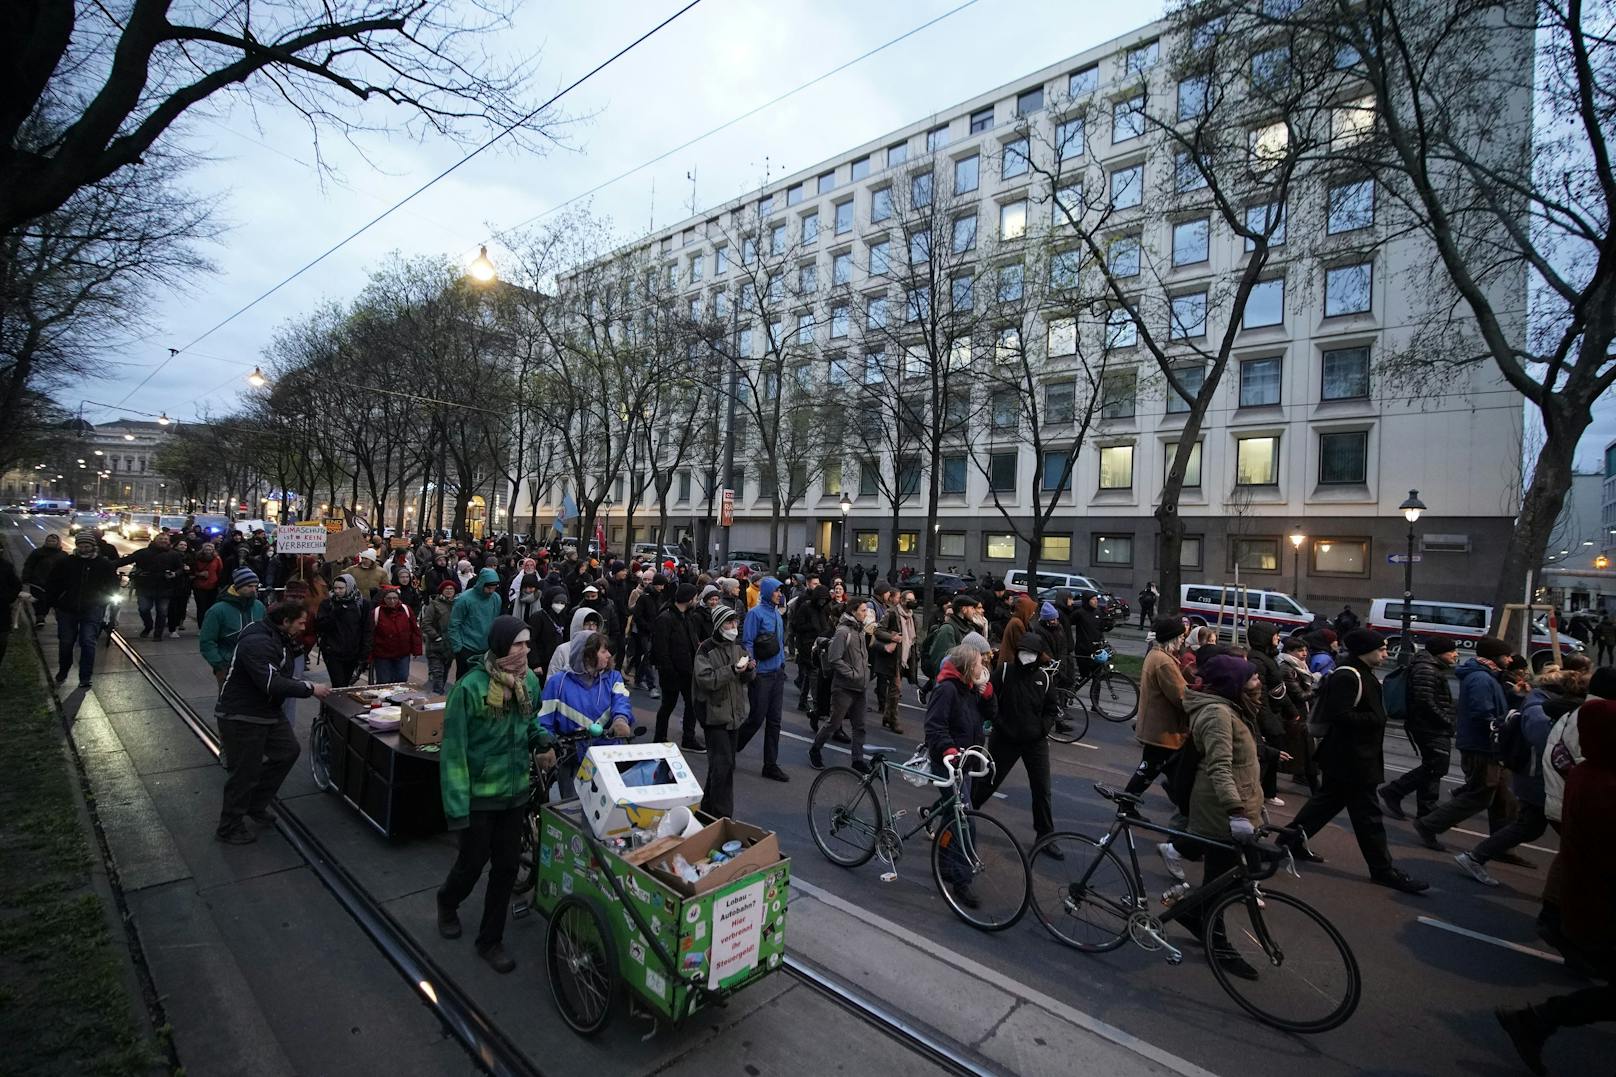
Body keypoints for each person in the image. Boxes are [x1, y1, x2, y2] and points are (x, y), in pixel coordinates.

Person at [1494, 697, 1616, 1073]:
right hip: (1601, 905)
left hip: (1589, 901)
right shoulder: (1603, 784)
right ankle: (1537, 1021)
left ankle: (1536, 1021)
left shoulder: (1588, 773)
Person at [437, 617, 550, 974]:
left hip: (515, 792)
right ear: (501, 646)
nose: (525, 652)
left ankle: (490, 939)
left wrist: (542, 741)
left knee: (506, 867)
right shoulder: (469, 689)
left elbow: (530, 722)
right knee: (472, 863)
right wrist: (456, 810)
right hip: (479, 796)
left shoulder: (528, 681)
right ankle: (447, 901)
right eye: (518, 645)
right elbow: (453, 752)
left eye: (527, 645)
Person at [1282, 629, 1429, 893]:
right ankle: (1382, 870)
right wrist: (1377, 719)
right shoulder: (1348, 676)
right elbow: (1340, 715)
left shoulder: (1362, 674)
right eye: (1382, 649)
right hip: (1351, 760)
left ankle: (1287, 844)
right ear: (1365, 651)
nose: (1386, 653)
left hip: (1353, 758)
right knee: (1368, 818)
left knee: (1323, 807)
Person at [1170, 654, 1270, 978]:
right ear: (1234, 684)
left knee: (1230, 879)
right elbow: (1220, 767)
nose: (1259, 683)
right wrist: (1236, 811)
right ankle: (1219, 943)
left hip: (1239, 807)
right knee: (1221, 884)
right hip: (1220, 812)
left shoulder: (1235, 709)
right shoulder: (1216, 713)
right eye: (1253, 678)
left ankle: (1192, 913)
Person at [214, 601, 329, 844]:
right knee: (245, 771)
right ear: (284, 621)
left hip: (267, 710)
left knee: (287, 752)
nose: (303, 627)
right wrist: (310, 688)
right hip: (242, 714)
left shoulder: (280, 637)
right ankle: (229, 826)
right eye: (299, 622)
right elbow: (271, 683)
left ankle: (256, 804)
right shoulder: (258, 642)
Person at [1413, 636, 1514, 850]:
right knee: (1481, 794)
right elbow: (1482, 712)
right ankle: (1430, 824)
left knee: (1502, 797)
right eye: (1507, 656)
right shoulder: (1481, 679)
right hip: (1482, 745)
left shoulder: (1489, 677)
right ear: (1496, 657)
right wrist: (1502, 725)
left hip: (1488, 745)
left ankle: (1502, 843)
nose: (1510, 660)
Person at [973, 628, 1062, 855]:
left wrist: (1043, 729)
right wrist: (999, 722)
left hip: (1035, 743)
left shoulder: (1044, 678)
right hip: (1005, 740)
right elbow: (988, 697)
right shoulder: (1004, 672)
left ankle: (1045, 837)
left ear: (1039, 654)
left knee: (1042, 790)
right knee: (988, 782)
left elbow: (1052, 709)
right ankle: (960, 816)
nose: (1026, 656)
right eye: (1023, 651)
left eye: (1031, 653)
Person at [923, 644, 993, 908]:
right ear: (966, 668)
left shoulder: (969, 689)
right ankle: (962, 880)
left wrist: (988, 695)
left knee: (952, 817)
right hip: (949, 762)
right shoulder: (947, 690)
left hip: (966, 762)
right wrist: (950, 750)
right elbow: (934, 726)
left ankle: (944, 863)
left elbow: (990, 716)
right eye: (977, 664)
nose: (982, 668)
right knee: (966, 821)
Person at [537, 630, 634, 796]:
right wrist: (545, 746)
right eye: (603, 651)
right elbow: (544, 719)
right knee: (571, 807)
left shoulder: (613, 677)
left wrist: (620, 719)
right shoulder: (558, 683)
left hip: (606, 754)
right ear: (587, 654)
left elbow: (621, 701)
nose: (609, 655)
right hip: (571, 757)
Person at [1379, 637, 1461, 822]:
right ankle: (1395, 791)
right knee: (1435, 766)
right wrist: (1447, 720)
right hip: (1429, 726)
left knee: (1434, 767)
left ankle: (1426, 809)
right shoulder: (1426, 669)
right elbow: (1425, 701)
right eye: (1451, 651)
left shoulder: (1430, 666)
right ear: (1440, 652)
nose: (1456, 654)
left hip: (1430, 725)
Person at [694, 606, 757, 818]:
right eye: (729, 623)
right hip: (715, 716)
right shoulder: (706, 650)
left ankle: (706, 812)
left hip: (734, 716)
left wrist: (749, 670)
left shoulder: (736, 647)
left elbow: (746, 679)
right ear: (719, 625)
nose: (733, 627)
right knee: (724, 767)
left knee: (720, 767)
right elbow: (706, 680)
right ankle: (722, 817)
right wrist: (732, 670)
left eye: (735, 622)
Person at [44, 533, 118, 688]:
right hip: (67, 608)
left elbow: (112, 585)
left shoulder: (103, 564)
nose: (84, 549)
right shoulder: (66, 562)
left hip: (92, 608)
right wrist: (54, 601)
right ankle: (63, 670)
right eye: (81, 546)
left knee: (88, 642)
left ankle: (85, 677)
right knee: (66, 642)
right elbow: (53, 582)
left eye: (87, 546)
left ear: (93, 546)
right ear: (76, 546)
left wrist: (102, 599)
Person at [810, 598, 873, 772]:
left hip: (860, 687)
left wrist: (865, 674)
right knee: (834, 722)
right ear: (853, 611)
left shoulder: (860, 631)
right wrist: (852, 673)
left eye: (866, 610)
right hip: (844, 687)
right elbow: (834, 659)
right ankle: (815, 749)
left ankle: (857, 760)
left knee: (860, 726)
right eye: (862, 610)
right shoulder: (843, 632)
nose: (865, 613)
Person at [738, 576, 790, 782]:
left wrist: (783, 663)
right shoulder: (755, 614)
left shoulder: (777, 614)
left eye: (781, 591)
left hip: (777, 674)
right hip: (762, 675)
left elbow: (779, 641)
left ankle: (770, 765)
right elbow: (748, 640)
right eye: (777, 591)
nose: (780, 594)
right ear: (768, 592)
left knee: (775, 721)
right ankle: (730, 749)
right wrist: (752, 662)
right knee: (756, 718)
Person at [651, 584, 707, 752]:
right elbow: (661, 649)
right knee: (668, 705)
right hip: (673, 671)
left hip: (688, 670)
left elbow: (691, 641)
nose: (696, 601)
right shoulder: (666, 618)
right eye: (695, 597)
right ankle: (659, 738)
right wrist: (668, 670)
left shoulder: (687, 616)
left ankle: (688, 738)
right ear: (689, 599)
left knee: (691, 704)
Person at [199, 568, 267, 688]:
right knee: (229, 702)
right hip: (228, 666)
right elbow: (207, 641)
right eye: (249, 586)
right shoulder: (217, 610)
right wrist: (219, 665)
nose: (254, 590)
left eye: (255, 586)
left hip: (257, 665)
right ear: (238, 586)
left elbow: (266, 632)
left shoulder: (259, 607)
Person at [117, 533, 185, 641]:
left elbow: (180, 568)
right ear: (155, 540)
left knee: (162, 612)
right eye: (161, 539)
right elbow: (126, 560)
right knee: (144, 609)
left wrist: (174, 574)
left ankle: (158, 634)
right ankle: (148, 625)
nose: (163, 541)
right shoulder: (143, 553)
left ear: (169, 541)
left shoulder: (173, 554)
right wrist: (108, 565)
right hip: (145, 586)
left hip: (165, 587)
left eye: (166, 539)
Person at [315, 573, 373, 688]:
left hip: (352, 652)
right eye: (335, 588)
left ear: (349, 587)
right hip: (332, 651)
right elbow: (321, 626)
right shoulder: (328, 604)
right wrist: (335, 613)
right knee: (338, 684)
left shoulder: (361, 604)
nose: (337, 591)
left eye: (341, 588)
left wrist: (364, 652)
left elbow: (366, 628)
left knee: (345, 683)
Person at [448, 568, 503, 680]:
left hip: (487, 649)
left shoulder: (496, 598)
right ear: (481, 584)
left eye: (494, 588)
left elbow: (496, 622)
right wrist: (458, 648)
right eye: (488, 588)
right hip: (467, 648)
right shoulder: (464, 599)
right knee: (464, 682)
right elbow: (454, 624)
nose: (491, 591)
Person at [790, 577, 832, 712]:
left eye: (824, 600)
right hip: (806, 644)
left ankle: (804, 701)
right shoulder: (806, 607)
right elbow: (796, 626)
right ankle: (816, 705)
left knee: (810, 674)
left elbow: (826, 625)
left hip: (818, 644)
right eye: (821, 599)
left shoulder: (824, 608)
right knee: (814, 673)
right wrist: (813, 627)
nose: (822, 602)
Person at [370, 585, 423, 684]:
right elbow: (370, 634)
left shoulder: (406, 610)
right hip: (382, 654)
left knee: (402, 679)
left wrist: (416, 649)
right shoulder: (376, 612)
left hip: (402, 653)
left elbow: (414, 630)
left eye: (395, 598)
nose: (392, 601)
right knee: (384, 682)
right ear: (383, 599)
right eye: (389, 598)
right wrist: (368, 654)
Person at [22, 532, 68, 627]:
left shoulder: (63, 555)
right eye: (48, 540)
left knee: (52, 601)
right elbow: (29, 565)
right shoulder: (38, 552)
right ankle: (40, 617)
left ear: (58, 542)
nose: (50, 542)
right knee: (39, 600)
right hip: (38, 582)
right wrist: (26, 577)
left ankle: (59, 620)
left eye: (53, 541)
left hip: (55, 584)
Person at [420, 580, 457, 694]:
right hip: (435, 647)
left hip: (449, 647)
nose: (449, 591)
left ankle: (439, 700)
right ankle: (435, 703)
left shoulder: (457, 604)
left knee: (445, 674)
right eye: (447, 589)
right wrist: (436, 637)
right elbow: (426, 624)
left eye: (451, 589)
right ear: (442, 591)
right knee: (437, 676)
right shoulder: (434, 605)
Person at [547, 607, 601, 679]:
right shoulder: (563, 650)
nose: (591, 628)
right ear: (578, 625)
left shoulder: (600, 650)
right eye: (587, 624)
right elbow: (551, 679)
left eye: (594, 624)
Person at [190, 542, 223, 628]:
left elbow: (220, 571)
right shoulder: (197, 558)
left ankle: (210, 626)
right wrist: (199, 574)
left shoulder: (217, 559)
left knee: (211, 608)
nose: (208, 551)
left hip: (213, 586)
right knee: (201, 608)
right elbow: (192, 571)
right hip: (199, 586)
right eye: (207, 549)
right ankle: (201, 626)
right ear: (203, 550)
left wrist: (219, 584)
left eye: (210, 549)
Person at [166, 537, 195, 635]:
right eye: (181, 545)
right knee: (172, 607)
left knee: (182, 607)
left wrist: (189, 570)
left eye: (185, 545)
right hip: (173, 585)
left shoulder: (190, 556)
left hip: (185, 586)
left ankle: (177, 625)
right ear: (176, 546)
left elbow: (193, 570)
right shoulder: (171, 555)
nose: (183, 547)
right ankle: (172, 628)